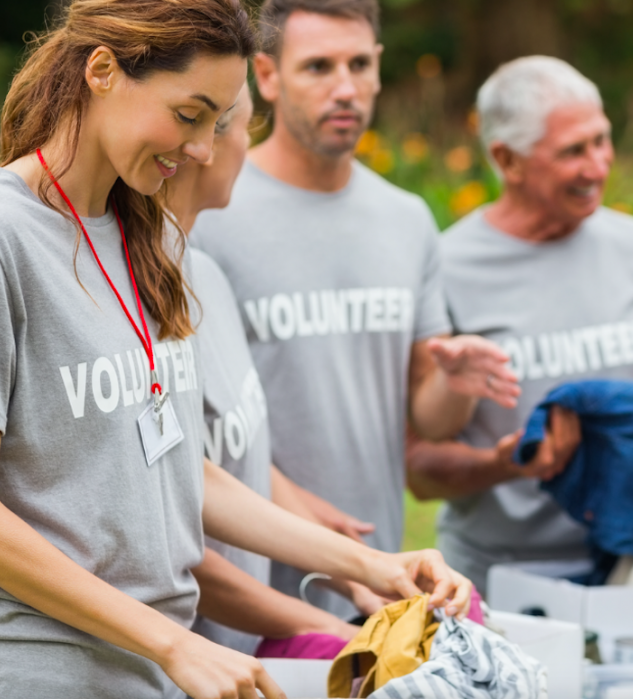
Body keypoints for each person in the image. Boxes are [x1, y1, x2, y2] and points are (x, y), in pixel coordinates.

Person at [0, 2, 470, 698]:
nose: (201, 150)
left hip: (155, 674)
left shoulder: (146, 239)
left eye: (219, 123)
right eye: (190, 116)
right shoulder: (11, 237)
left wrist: (375, 566)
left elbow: (177, 461)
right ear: (102, 72)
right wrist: (172, 641)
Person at [192, 0, 519, 620]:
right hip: (242, 586)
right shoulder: (211, 209)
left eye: (359, 65)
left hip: (380, 581)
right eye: (318, 67)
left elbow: (431, 419)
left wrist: (454, 383)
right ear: (266, 76)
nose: (345, 88)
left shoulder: (407, 218)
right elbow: (195, 432)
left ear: (378, 69)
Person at [406, 56, 633, 593]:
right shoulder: (445, 265)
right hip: (495, 577)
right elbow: (420, 466)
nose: (598, 166)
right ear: (508, 159)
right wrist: (506, 465)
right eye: (574, 151)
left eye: (602, 140)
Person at [168, 86, 372, 656]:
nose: (248, 149)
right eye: (247, 129)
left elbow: (239, 452)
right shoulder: (134, 293)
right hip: (192, 658)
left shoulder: (204, 274)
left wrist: (357, 572)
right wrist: (323, 624)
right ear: (203, 143)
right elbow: (165, 529)